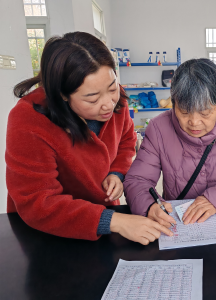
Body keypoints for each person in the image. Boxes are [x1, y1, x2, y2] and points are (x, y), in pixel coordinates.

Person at [6, 32, 173, 244]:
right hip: (46, 232)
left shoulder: (115, 97)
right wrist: (115, 221)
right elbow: (38, 203)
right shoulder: (29, 120)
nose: (109, 104)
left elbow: (126, 140)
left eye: (112, 87)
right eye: (92, 99)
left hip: (101, 220)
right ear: (62, 95)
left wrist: (117, 173)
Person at [124, 58, 216, 228]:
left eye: (205, 113)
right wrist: (149, 206)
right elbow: (137, 180)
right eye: (184, 112)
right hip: (181, 223)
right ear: (174, 102)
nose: (194, 122)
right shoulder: (158, 128)